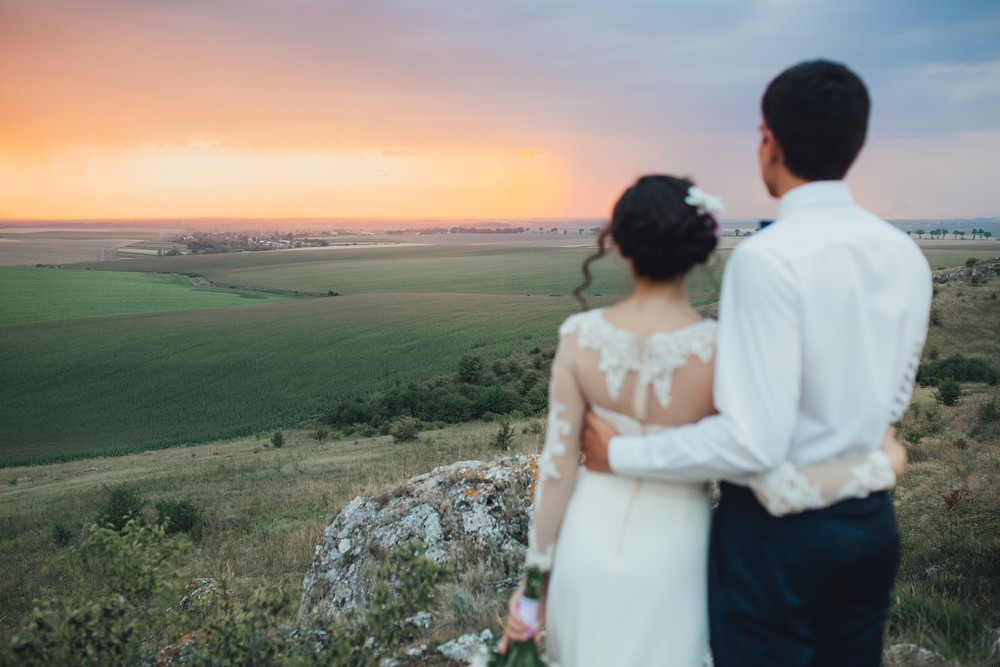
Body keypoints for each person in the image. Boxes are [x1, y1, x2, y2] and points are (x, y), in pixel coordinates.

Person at [580, 61, 932, 666]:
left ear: (770, 140)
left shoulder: (767, 260)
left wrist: (621, 454)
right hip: (870, 526)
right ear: (856, 142)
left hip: (778, 543)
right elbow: (892, 409)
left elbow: (753, 442)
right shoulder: (906, 257)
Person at [499, 173, 908, 666]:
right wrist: (878, 465)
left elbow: (557, 469)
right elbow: (758, 457)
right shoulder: (720, 351)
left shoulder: (578, 338)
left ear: (621, 245)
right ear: (697, 249)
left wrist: (533, 583)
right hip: (678, 552)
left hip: (589, 538)